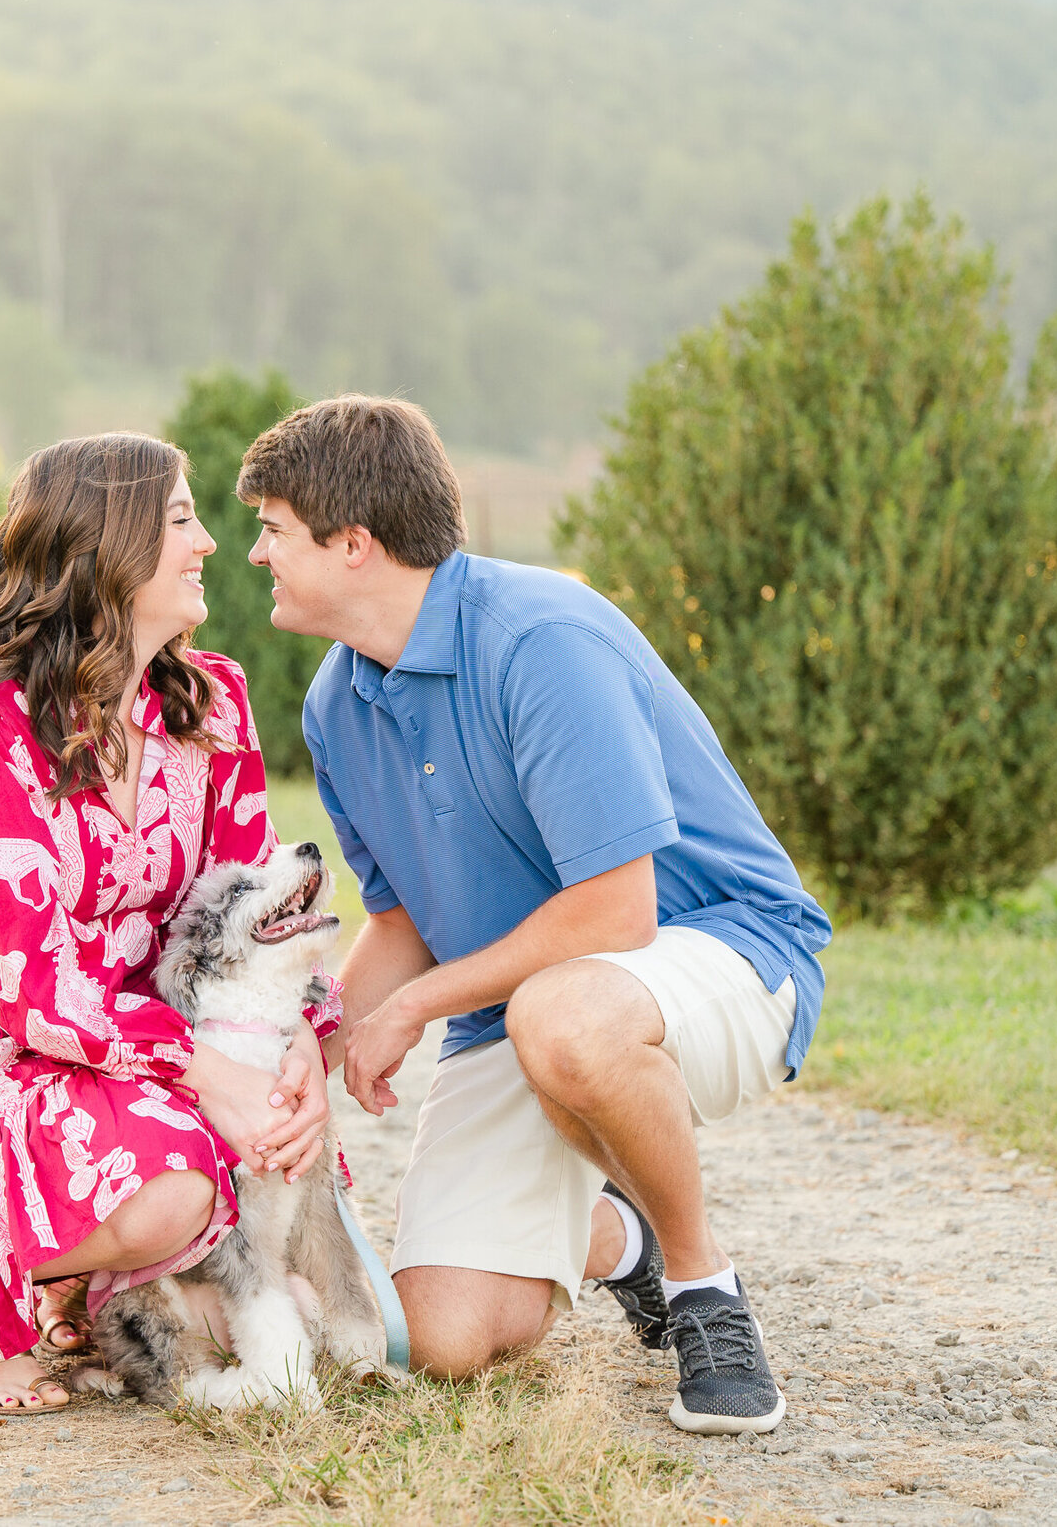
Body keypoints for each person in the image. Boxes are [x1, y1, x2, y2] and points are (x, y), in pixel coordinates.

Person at [237, 396, 831, 1434]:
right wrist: (310, 1046)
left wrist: (414, 1007)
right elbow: (402, 923)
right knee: (443, 1338)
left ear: (354, 544)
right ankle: (618, 1241)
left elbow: (616, 909)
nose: (256, 553)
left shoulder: (540, 638)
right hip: (520, 1003)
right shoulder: (336, 704)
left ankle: (702, 1290)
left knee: (563, 1024)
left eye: (274, 529)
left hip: (717, 953)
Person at [0, 432, 339, 1414]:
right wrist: (213, 1074)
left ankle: (109, 1296)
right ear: (110, 546)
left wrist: (299, 1040)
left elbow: (249, 909)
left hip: (155, 1030)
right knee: (179, 1186)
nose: (212, 542)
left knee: (286, 1234)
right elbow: (27, 989)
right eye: (181, 519)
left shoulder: (211, 700)